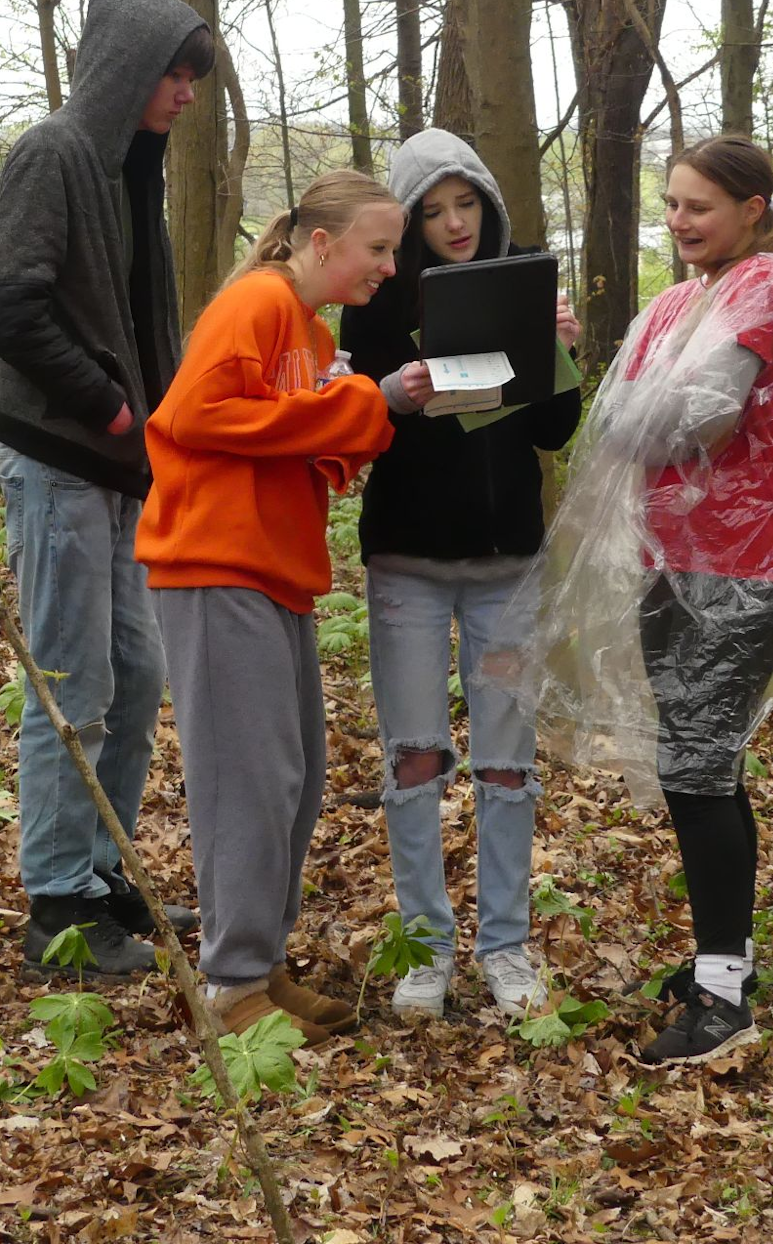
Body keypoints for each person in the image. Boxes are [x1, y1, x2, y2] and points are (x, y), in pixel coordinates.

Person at [530, 134, 773, 1063]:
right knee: (706, 771)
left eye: (698, 205)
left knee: (697, 777)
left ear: (751, 208)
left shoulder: (765, 286)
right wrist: (627, 400)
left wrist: (634, 404)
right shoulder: (683, 301)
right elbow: (618, 413)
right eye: (670, 203)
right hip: (678, 564)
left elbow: (687, 417)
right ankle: (721, 964)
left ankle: (725, 998)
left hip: (745, 570)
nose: (679, 220)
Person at [136, 169, 426, 1041]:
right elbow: (196, 415)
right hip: (214, 561)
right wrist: (366, 400)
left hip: (273, 566)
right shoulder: (259, 300)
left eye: (393, 252)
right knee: (248, 782)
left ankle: (257, 962)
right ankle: (231, 986)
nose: (386, 267)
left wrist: (371, 413)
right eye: (377, 250)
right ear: (322, 243)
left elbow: (299, 438)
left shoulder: (309, 326)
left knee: (291, 781)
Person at [0, 0, 213, 981]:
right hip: (62, 459)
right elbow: (10, 308)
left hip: (124, 472)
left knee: (136, 674)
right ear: (126, 66)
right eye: (174, 73)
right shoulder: (55, 154)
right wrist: (112, 408)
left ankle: (98, 868)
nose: (186, 95)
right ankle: (56, 906)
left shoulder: (129, 170)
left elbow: (138, 317)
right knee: (70, 682)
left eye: (194, 78)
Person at [338, 129, 583, 1021]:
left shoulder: (524, 277)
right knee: (412, 759)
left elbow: (553, 432)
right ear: (407, 222)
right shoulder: (374, 296)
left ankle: (507, 948)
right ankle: (425, 949)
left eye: (466, 203)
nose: (454, 224)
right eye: (433, 210)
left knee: (507, 765)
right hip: (406, 560)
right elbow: (359, 426)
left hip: (507, 564)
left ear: (488, 200)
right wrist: (399, 391)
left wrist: (560, 352)